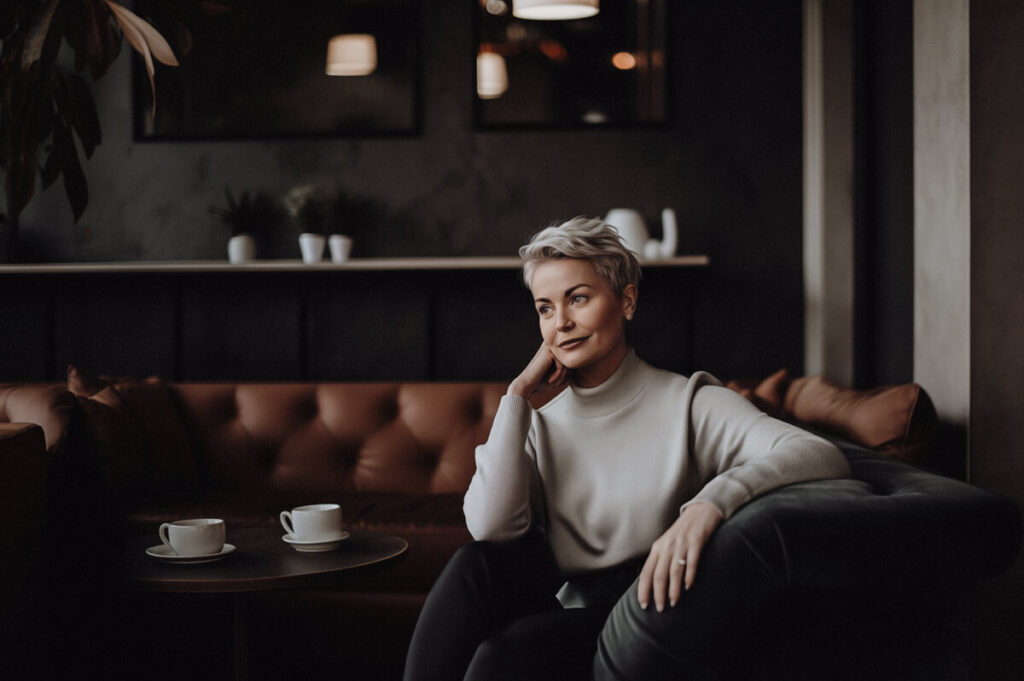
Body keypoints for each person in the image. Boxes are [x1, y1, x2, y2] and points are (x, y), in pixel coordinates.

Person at [403, 217, 850, 681]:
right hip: (573, 609)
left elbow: (819, 455)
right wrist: (517, 394)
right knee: (475, 567)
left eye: (578, 298)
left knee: (503, 655)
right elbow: (491, 528)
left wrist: (709, 505)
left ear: (627, 300)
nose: (562, 323)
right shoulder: (539, 424)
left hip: (655, 614)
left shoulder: (690, 403)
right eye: (545, 308)